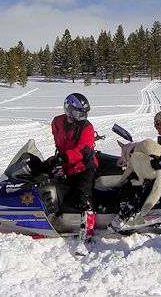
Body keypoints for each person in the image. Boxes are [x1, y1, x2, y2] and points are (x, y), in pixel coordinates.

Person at [47, 93, 98, 250]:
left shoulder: (87, 127)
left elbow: (84, 149)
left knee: (84, 198)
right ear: (68, 110)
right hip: (67, 166)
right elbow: (59, 142)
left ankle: (87, 235)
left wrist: (66, 158)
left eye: (84, 113)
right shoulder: (57, 122)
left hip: (84, 166)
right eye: (78, 113)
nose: (82, 116)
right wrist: (57, 158)